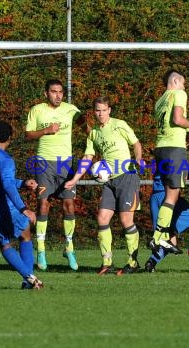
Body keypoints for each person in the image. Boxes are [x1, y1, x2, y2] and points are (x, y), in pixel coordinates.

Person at [65, 96, 143, 275]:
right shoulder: (94, 134)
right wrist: (75, 179)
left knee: (126, 220)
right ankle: (107, 263)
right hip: (109, 181)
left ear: (109, 110)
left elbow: (136, 143)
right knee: (102, 219)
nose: (100, 113)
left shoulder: (119, 124)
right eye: (97, 110)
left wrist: (138, 157)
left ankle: (133, 262)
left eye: (104, 110)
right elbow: (87, 158)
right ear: (94, 112)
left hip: (127, 176)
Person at [25, 79, 85, 271]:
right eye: (53, 91)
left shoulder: (71, 109)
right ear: (46, 94)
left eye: (60, 92)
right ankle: (41, 251)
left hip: (65, 164)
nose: (58, 95)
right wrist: (46, 130)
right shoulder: (37, 110)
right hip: (44, 163)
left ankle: (69, 248)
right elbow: (28, 134)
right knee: (43, 204)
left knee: (69, 205)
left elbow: (86, 125)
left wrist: (94, 136)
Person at [0, 121, 43, 289]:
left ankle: (29, 278)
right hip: (3, 206)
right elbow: (7, 186)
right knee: (25, 234)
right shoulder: (6, 159)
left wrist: (22, 183)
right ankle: (28, 279)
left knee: (5, 244)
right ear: (9, 138)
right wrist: (24, 209)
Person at [151, 69, 189, 254]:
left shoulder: (159, 101)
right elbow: (178, 119)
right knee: (173, 196)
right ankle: (158, 238)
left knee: (168, 195)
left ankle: (161, 237)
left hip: (161, 149)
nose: (185, 86)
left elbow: (171, 126)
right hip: (174, 151)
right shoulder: (179, 93)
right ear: (177, 81)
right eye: (184, 83)